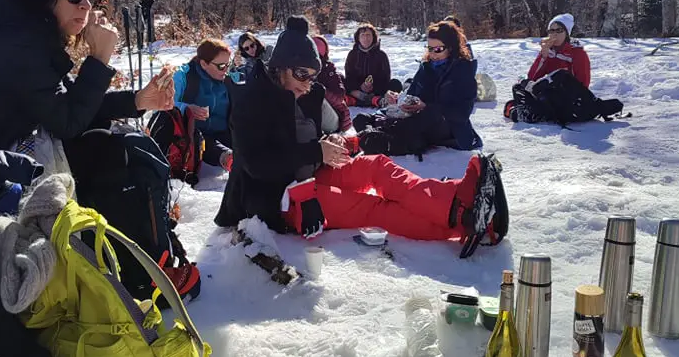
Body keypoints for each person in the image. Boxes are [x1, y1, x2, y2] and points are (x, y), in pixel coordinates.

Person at [216, 17, 506, 254]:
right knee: (374, 209)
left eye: (312, 76)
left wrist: (329, 143)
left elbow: (312, 137)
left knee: (375, 166)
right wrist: (316, 153)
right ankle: (462, 222)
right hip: (275, 198)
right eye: (302, 74)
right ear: (281, 67)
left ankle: (457, 196)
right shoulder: (251, 100)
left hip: (307, 173)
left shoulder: (307, 94)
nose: (308, 84)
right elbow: (256, 164)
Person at [0, 0, 173, 154]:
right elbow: (67, 123)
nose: (86, 5)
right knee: (111, 156)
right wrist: (99, 59)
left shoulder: (25, 33)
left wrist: (138, 100)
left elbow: (70, 104)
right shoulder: (14, 42)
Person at [380, 20, 482, 151]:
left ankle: (389, 137)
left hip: (450, 130)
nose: (433, 54)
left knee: (422, 119)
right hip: (422, 123)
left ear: (451, 47)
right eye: (430, 49)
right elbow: (413, 92)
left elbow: (462, 113)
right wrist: (401, 99)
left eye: (438, 49)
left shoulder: (463, 71)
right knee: (374, 117)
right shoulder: (426, 67)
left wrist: (426, 106)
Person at [173, 38, 238, 171]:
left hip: (225, 131)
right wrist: (186, 108)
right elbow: (164, 104)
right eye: (221, 66)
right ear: (204, 64)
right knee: (204, 143)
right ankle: (227, 159)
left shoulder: (230, 78)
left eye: (228, 64)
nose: (226, 70)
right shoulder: (184, 77)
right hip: (194, 135)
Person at [527, 13, 590, 88]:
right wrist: (543, 56)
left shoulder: (577, 53)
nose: (555, 34)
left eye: (559, 30)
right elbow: (532, 78)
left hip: (569, 96)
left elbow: (583, 85)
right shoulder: (548, 51)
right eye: (551, 31)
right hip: (551, 94)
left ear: (567, 34)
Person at [344, 23, 392, 107]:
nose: (366, 38)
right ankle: (366, 99)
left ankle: (371, 99)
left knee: (395, 83)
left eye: (368, 35)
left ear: (373, 37)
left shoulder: (381, 55)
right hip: (357, 90)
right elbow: (349, 75)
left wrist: (373, 87)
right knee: (340, 80)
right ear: (358, 38)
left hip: (376, 89)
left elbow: (386, 77)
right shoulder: (352, 54)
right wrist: (360, 86)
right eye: (362, 35)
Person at [313, 35, 352, 133]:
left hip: (335, 121)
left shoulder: (329, 72)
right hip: (313, 120)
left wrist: (322, 91)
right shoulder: (300, 70)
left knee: (316, 97)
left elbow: (339, 97)